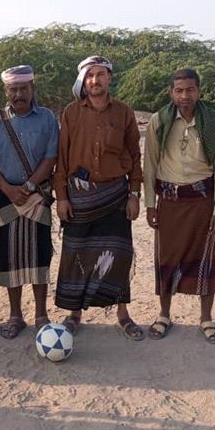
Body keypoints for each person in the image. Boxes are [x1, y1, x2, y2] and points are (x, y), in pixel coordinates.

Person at [54, 56, 144, 340]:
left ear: (110, 78)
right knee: (75, 255)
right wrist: (62, 198)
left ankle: (122, 314)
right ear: (84, 80)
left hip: (115, 195)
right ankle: (74, 313)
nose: (95, 80)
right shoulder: (70, 112)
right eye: (90, 75)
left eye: (101, 74)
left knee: (118, 255)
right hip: (79, 196)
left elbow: (135, 157)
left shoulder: (124, 113)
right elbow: (62, 158)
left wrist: (134, 194)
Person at [143, 68, 215, 344]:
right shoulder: (159, 121)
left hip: (202, 203)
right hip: (168, 202)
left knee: (205, 259)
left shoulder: (214, 121)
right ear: (171, 93)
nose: (184, 96)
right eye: (179, 90)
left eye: (190, 90)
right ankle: (164, 315)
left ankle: (206, 318)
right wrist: (150, 205)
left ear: (199, 91)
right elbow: (150, 165)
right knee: (166, 259)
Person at [0, 65, 59, 339]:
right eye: (13, 89)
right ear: (6, 91)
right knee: (8, 257)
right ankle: (15, 315)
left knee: (40, 254)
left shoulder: (48, 118)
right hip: (5, 197)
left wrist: (27, 187)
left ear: (32, 89)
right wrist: (7, 187)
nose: (19, 94)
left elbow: (50, 158)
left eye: (23, 89)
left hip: (36, 195)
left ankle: (41, 314)